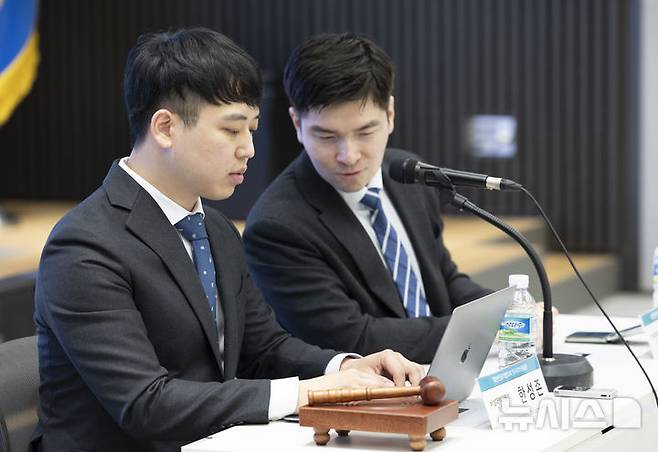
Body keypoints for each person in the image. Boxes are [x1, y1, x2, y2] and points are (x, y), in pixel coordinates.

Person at [31, 28, 425, 452]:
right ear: (165, 128)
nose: (249, 149)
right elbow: (146, 404)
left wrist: (345, 367)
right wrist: (309, 391)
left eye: (251, 130)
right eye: (232, 131)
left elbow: (264, 349)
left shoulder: (216, 229)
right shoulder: (84, 246)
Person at [243, 33, 491, 365]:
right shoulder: (277, 226)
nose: (349, 155)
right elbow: (354, 338)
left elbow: (443, 279)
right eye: (326, 136)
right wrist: (484, 329)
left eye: (365, 132)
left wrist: (508, 312)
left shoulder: (409, 175)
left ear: (390, 114)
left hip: (443, 371)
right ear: (297, 124)